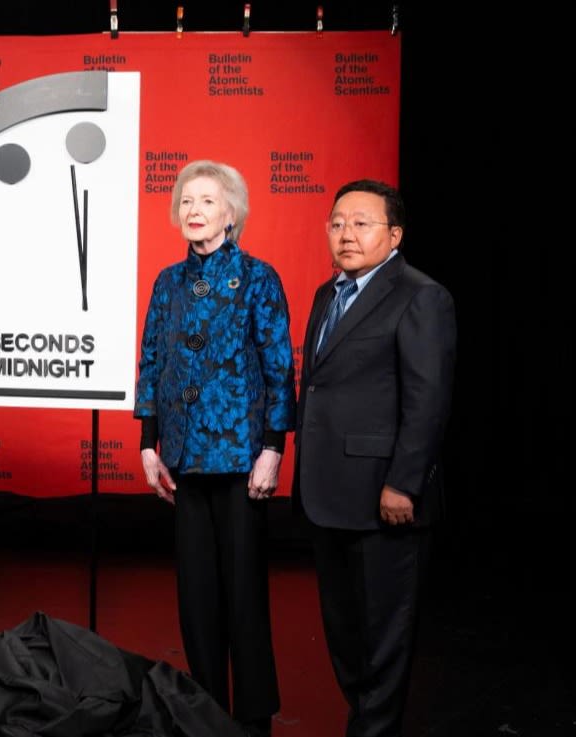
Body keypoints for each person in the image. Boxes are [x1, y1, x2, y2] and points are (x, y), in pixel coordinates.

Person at [134, 160, 295, 737]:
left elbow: (280, 367)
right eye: (185, 202)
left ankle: (253, 719)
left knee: (244, 596)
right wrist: (149, 444)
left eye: (206, 201)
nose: (194, 211)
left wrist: (274, 448)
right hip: (184, 457)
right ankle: (206, 711)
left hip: (241, 459)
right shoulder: (167, 282)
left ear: (231, 212)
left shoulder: (258, 277)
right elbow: (151, 361)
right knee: (196, 597)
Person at [293, 180, 455, 737]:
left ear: (394, 234)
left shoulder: (420, 296)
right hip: (329, 494)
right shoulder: (325, 294)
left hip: (385, 496)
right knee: (346, 635)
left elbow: (427, 400)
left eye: (362, 223)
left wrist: (404, 485)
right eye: (337, 223)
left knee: (385, 641)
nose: (346, 234)